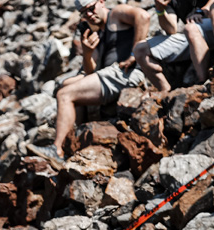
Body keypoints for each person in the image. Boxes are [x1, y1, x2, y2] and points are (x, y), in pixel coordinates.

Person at [53, 0, 151, 157]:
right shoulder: (99, 33)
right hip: (110, 75)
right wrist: (87, 53)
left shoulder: (116, 14)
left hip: (126, 73)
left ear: (101, 2)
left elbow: (143, 16)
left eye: (91, 8)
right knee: (65, 84)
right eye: (85, 13)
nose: (90, 15)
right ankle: (74, 140)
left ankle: (57, 149)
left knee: (64, 94)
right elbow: (90, 71)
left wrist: (135, 54)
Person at [133, 0, 214, 90]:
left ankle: (202, 85)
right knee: (140, 49)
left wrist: (202, 11)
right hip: (194, 33)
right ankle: (166, 92)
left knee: (191, 28)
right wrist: (160, 9)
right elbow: (171, 29)